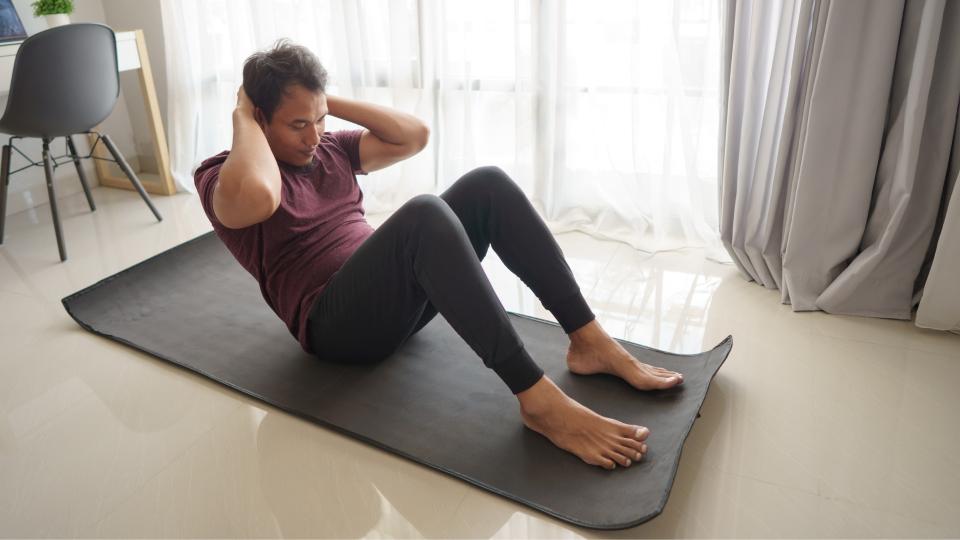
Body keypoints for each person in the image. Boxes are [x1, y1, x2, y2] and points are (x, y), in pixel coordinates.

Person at [195, 39, 685, 471]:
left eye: (320, 120)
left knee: (486, 184)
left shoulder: (327, 149)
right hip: (336, 328)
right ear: (258, 119)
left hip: (391, 303)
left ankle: (588, 341)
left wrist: (317, 101)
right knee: (424, 214)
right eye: (298, 124)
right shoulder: (222, 178)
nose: (314, 136)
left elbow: (413, 136)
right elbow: (261, 197)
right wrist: (243, 112)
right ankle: (537, 401)